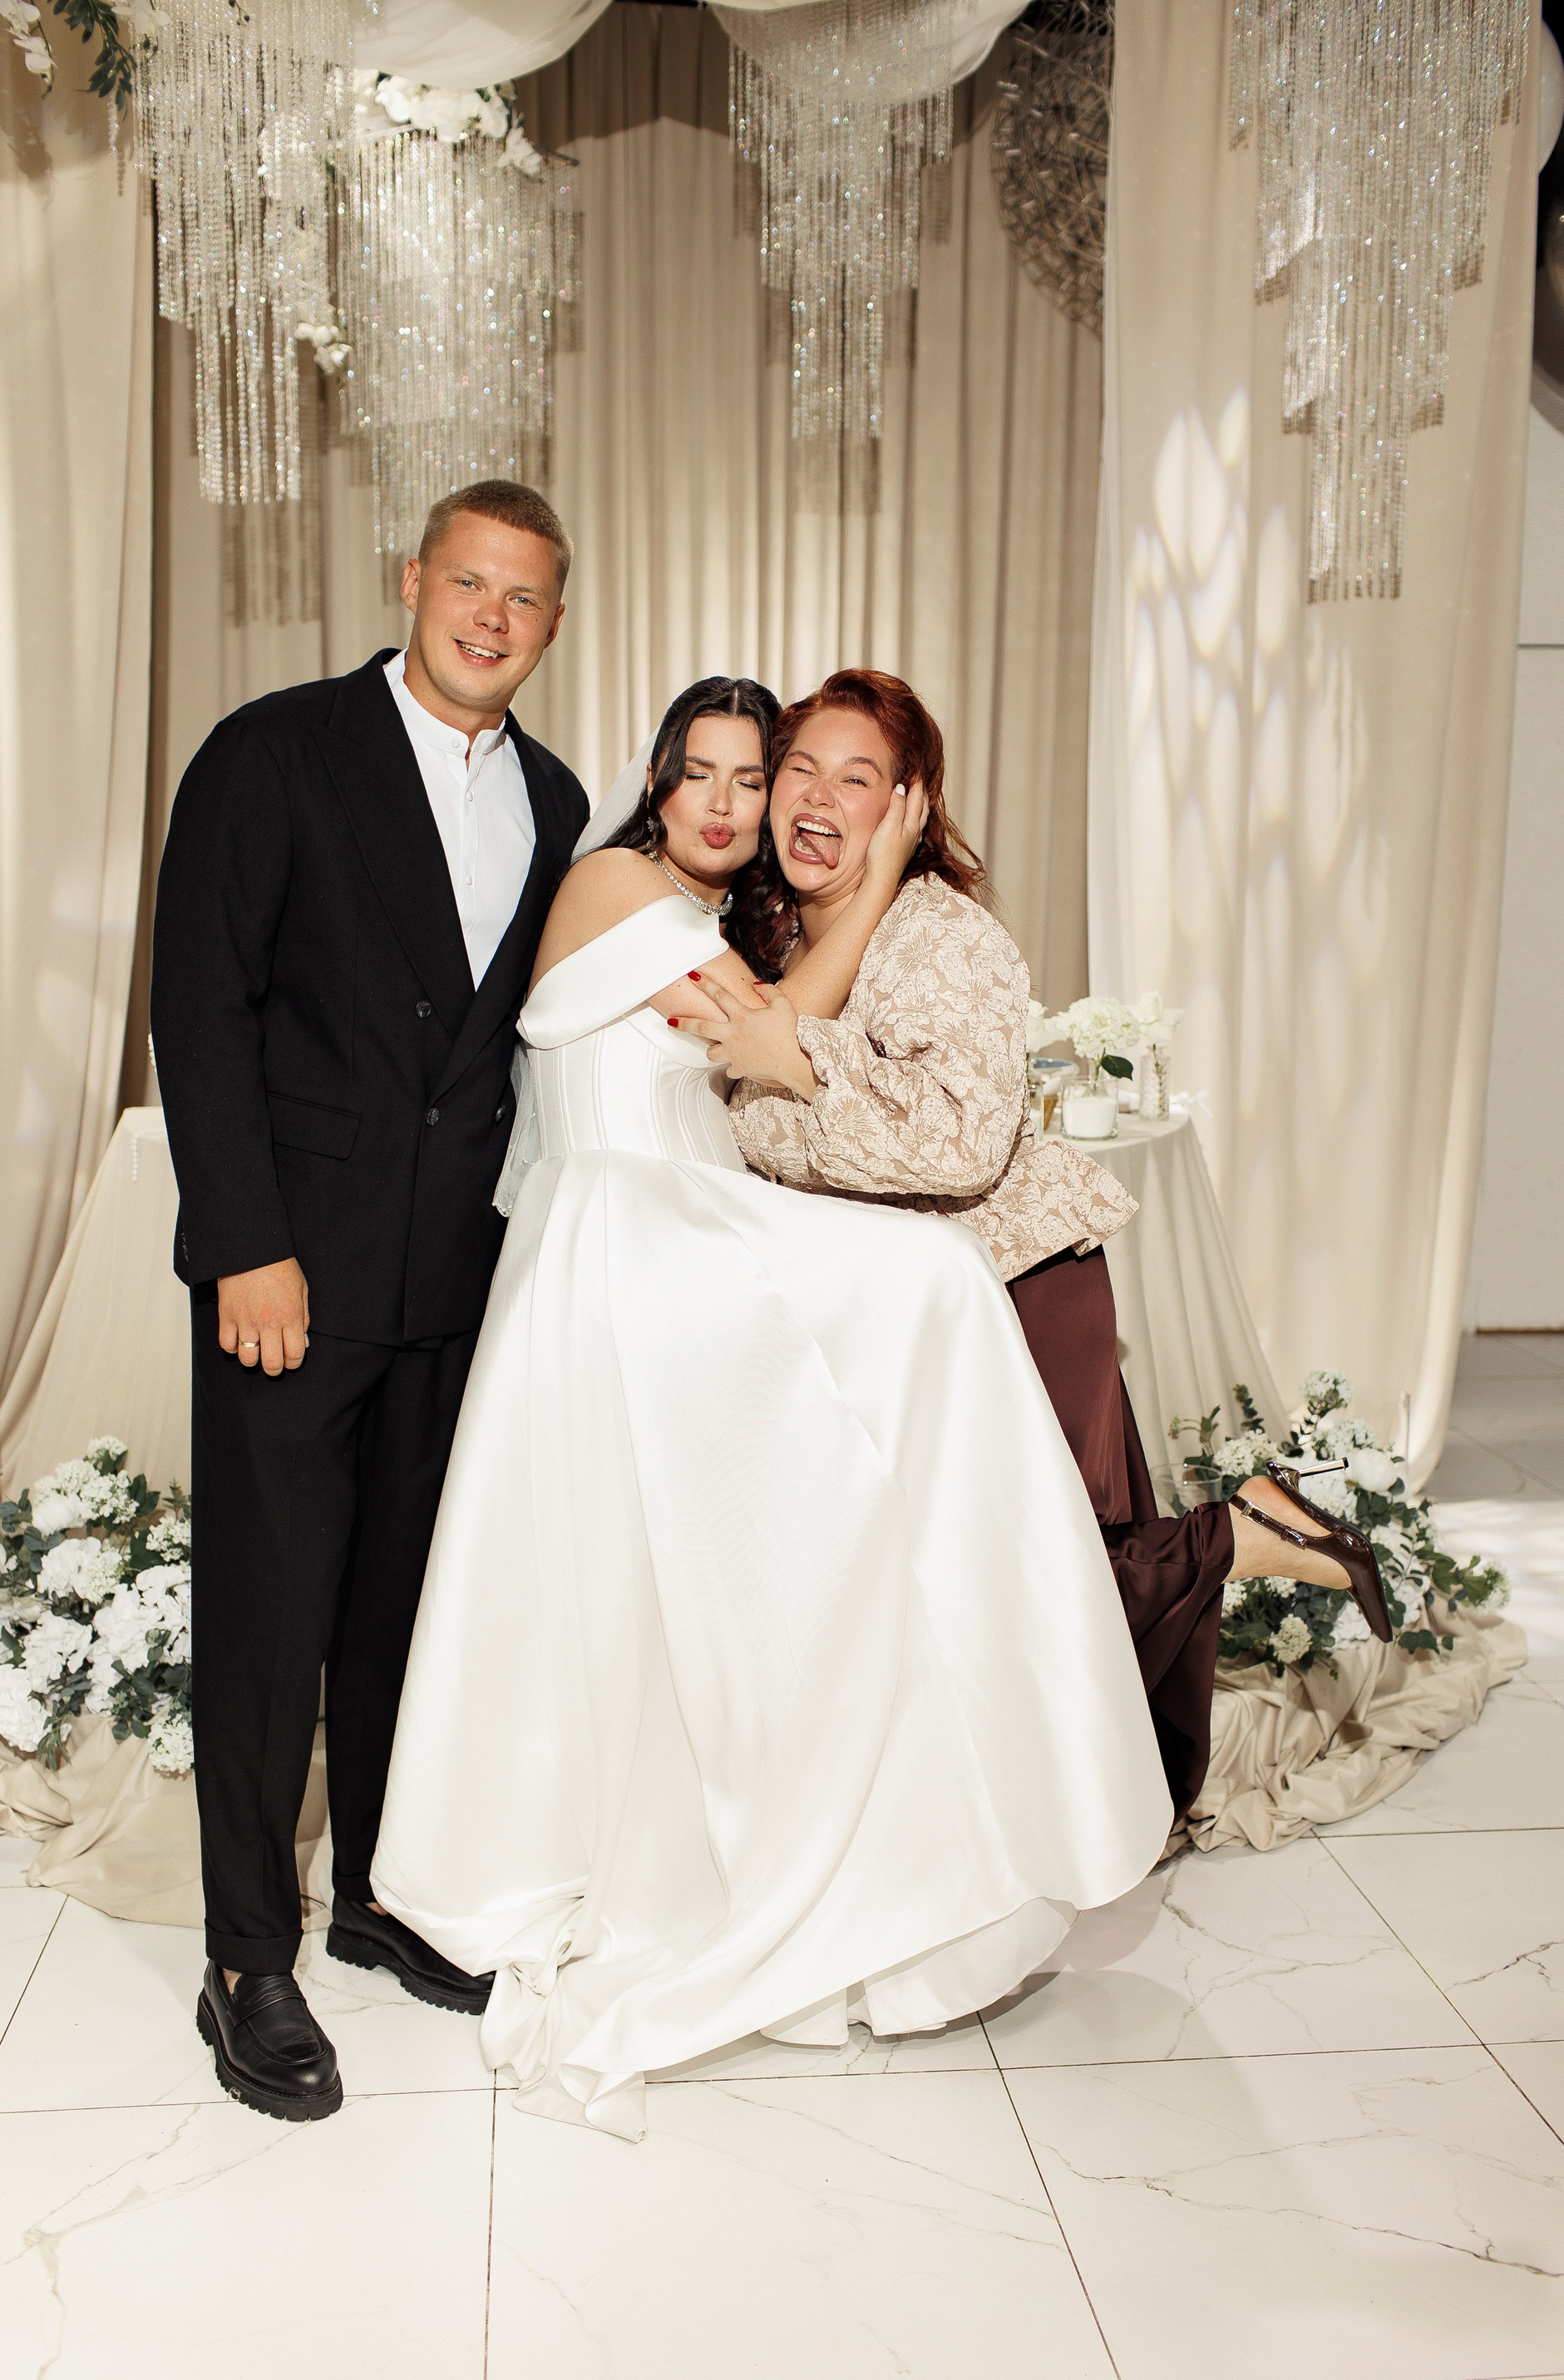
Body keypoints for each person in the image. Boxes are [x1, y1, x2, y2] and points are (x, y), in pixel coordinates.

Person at [370, 676, 1174, 2141]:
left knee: (841, 1526)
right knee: (910, 1335)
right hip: (633, 1238)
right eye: (723, 772)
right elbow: (761, 1035)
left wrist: (872, 894)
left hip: (715, 1240)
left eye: (770, 777)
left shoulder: (777, 922)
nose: (745, 802)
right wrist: (874, 888)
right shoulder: (620, 889)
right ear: (660, 782)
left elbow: (797, 1067)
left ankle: (914, 1821)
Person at [690, 669, 1390, 1818]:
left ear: (908, 806)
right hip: (902, 1308)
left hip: (1016, 1290)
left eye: (855, 779)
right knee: (937, 1581)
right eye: (799, 769)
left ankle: (1245, 1537)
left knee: (1026, 1581)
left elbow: (961, 1147)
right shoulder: (761, 929)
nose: (816, 798)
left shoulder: (945, 939)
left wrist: (800, 1070)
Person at [151, 480, 588, 2122]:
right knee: (270, 1620)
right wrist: (242, 1241)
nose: (491, 616)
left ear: (555, 626)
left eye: (523, 598)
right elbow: (200, 1007)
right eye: (468, 581)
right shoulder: (272, 754)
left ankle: (379, 1901)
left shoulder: (556, 799)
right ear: (412, 581)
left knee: (405, 1609)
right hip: (293, 1272)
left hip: (454, 1280)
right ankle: (245, 1959)